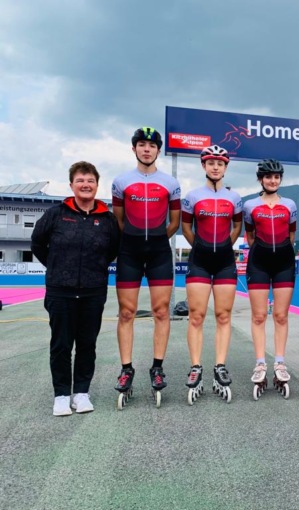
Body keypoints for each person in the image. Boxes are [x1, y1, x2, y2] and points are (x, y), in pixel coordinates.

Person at [31, 161, 120, 416]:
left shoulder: (107, 219)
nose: (85, 185)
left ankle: (81, 393)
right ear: (71, 185)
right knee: (61, 345)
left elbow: (113, 250)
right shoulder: (56, 214)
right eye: (80, 180)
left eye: (90, 180)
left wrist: (95, 270)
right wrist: (57, 267)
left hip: (93, 291)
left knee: (87, 344)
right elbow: (37, 244)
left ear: (97, 185)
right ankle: (61, 395)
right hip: (60, 290)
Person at [111, 127, 181, 407]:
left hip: (159, 253)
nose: (147, 149)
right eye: (142, 144)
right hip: (129, 252)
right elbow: (119, 220)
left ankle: (157, 368)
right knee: (126, 312)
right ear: (134, 149)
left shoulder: (171, 183)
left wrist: (156, 239)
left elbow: (174, 222)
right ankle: (126, 369)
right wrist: (136, 239)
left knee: (161, 311)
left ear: (158, 150)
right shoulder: (121, 182)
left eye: (152, 145)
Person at [181, 145, 242, 404]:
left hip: (225, 262)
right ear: (203, 166)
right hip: (200, 261)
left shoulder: (234, 198)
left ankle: (220, 366)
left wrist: (225, 246)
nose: (215, 167)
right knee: (196, 316)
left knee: (223, 315)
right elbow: (186, 227)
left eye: (220, 163)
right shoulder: (192, 196)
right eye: (211, 163)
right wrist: (201, 247)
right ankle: (196, 367)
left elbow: (237, 226)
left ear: (225, 167)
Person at [242, 159, 297, 399]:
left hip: (284, 262)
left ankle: (280, 362)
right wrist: (262, 251)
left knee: (281, 316)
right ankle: (260, 363)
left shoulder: (290, 205)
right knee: (259, 316)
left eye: (276, 177)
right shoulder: (250, 205)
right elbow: (250, 235)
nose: (273, 180)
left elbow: (291, 234)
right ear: (260, 179)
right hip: (259, 262)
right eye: (268, 177)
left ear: (280, 179)